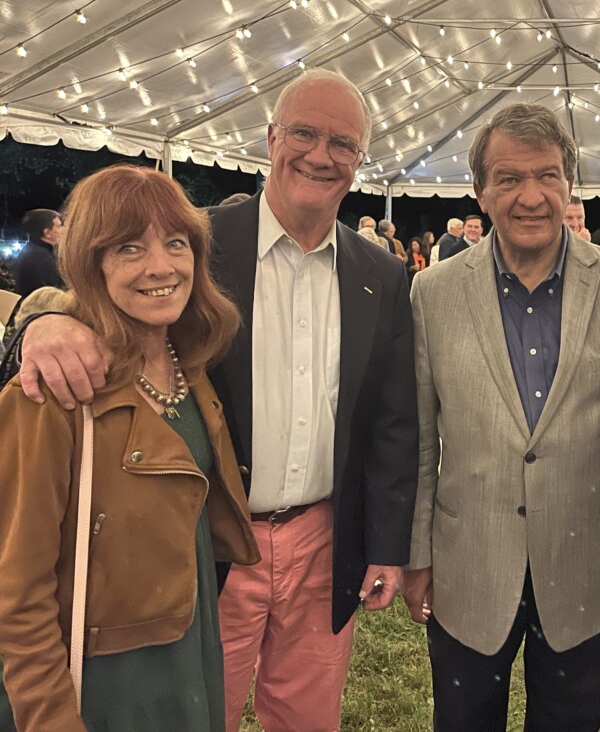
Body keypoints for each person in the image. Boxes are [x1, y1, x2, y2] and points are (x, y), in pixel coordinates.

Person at [17, 69, 418, 732]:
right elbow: (107, 291)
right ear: (270, 139)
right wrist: (43, 321)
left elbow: (393, 422)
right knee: (202, 714)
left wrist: (387, 543)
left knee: (309, 719)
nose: (320, 155)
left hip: (323, 538)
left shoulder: (381, 273)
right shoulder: (196, 243)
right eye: (304, 134)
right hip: (207, 539)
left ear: (359, 161)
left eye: (342, 144)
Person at [404, 102, 600, 732]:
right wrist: (415, 553)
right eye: (509, 179)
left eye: (547, 175)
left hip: (588, 567)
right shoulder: (434, 292)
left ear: (570, 184)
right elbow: (418, 441)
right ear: (481, 193)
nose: (531, 196)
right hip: (470, 566)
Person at [0, 165, 259, 731]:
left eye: (175, 243)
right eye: (128, 248)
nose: (160, 266)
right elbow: (16, 596)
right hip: (103, 685)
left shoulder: (190, 365)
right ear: (90, 265)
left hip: (188, 649)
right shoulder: (53, 395)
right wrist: (51, 720)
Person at [14, 208, 63, 296]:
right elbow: (51, 296)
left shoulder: (31, 251)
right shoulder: (41, 258)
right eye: (59, 226)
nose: (63, 230)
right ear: (47, 232)